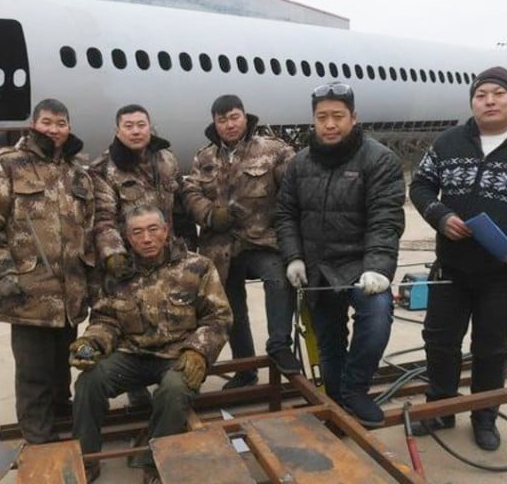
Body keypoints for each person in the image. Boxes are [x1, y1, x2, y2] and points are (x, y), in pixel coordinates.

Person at [409, 66, 507, 451]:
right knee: (440, 340)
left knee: (492, 346)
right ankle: (441, 408)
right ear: (472, 102)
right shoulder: (450, 142)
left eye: (498, 94)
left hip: (505, 272)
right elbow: (421, 184)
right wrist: (440, 215)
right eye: (481, 95)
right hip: (452, 266)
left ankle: (484, 417)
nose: (490, 101)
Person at [70, 204, 232, 483]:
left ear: (166, 231)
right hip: (132, 354)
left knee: (174, 389)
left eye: (153, 229)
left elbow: (219, 317)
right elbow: (106, 320)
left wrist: (198, 351)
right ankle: (86, 459)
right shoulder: (116, 276)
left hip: (178, 355)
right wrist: (91, 343)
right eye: (137, 232)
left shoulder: (197, 266)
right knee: (88, 382)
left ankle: (156, 460)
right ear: (127, 238)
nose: (146, 239)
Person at [275, 82, 405, 427]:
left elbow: (385, 218)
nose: (329, 124)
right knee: (329, 341)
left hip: (360, 265)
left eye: (338, 116)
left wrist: (377, 267)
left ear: (353, 117)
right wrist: (294, 257)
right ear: (313, 121)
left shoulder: (379, 160)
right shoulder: (299, 164)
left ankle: (355, 391)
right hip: (317, 268)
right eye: (322, 117)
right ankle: (335, 402)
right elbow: (286, 214)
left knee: (376, 317)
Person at [0, 98, 96, 445]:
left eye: (60, 123)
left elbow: (89, 225)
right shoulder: (8, 164)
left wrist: (90, 276)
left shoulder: (77, 170)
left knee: (61, 366)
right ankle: (39, 437)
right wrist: (1, 274)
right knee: (33, 371)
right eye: (47, 122)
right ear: (34, 123)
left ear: (68, 127)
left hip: (70, 290)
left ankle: (61, 416)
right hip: (27, 288)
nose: (54, 130)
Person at [182, 94, 298, 389]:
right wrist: (208, 215)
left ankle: (279, 345)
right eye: (222, 120)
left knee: (278, 279)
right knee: (231, 309)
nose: (229, 125)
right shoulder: (204, 157)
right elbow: (191, 193)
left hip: (261, 241)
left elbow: (295, 190)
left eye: (234, 117)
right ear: (215, 123)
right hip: (220, 247)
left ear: (245, 117)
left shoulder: (273, 151)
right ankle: (245, 369)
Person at [89, 103, 195, 408]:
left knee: (169, 319)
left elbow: (178, 203)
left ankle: (169, 381)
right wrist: (113, 254)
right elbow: (104, 218)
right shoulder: (104, 169)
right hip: (128, 260)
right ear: (117, 130)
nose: (136, 131)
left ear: (150, 127)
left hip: (165, 257)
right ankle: (134, 387)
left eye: (141, 124)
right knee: (129, 322)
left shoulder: (166, 159)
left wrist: (186, 244)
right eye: (128, 126)